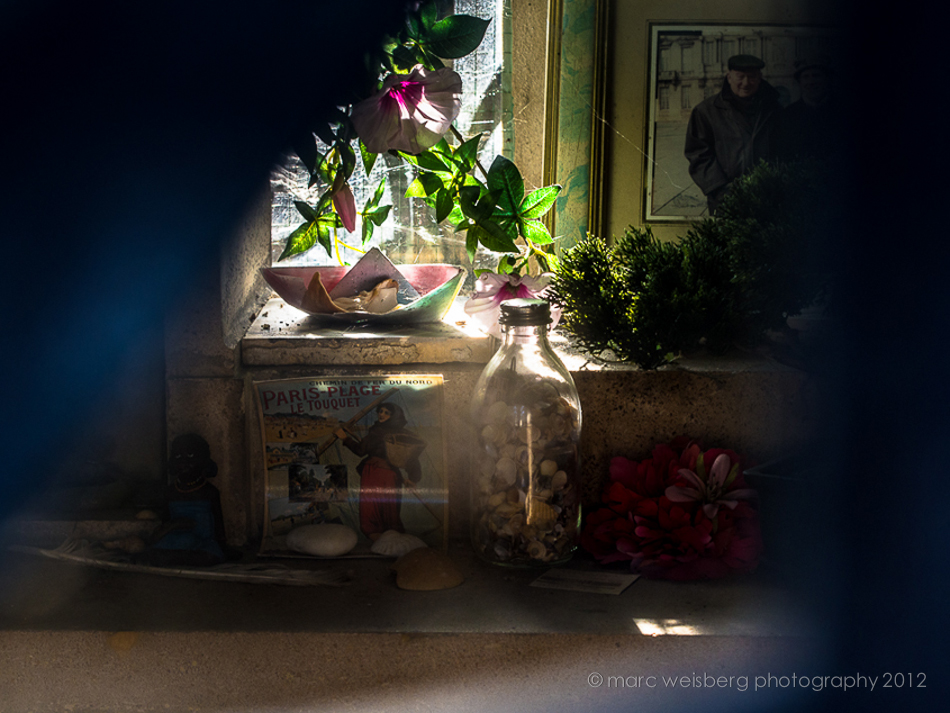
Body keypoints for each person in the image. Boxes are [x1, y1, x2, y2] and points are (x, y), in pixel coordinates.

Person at [684, 54, 783, 214]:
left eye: (751, 77)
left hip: (767, 199)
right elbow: (698, 154)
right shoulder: (706, 111)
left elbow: (784, 150)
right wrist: (722, 190)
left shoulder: (774, 109)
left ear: (759, 78)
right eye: (740, 77)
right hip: (726, 201)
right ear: (729, 77)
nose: (745, 83)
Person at [335, 403, 422, 541]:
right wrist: (412, 478)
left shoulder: (377, 431)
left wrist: (345, 439)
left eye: (387, 412)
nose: (381, 414)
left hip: (374, 474)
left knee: (372, 509)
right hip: (392, 476)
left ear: (394, 415)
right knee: (390, 508)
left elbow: (360, 451)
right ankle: (391, 539)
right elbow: (412, 457)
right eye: (380, 411)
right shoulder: (402, 433)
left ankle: (379, 539)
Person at [780, 55, 842, 161]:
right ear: (800, 82)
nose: (811, 82)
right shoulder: (788, 115)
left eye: (816, 76)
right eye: (806, 77)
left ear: (827, 80)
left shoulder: (842, 113)